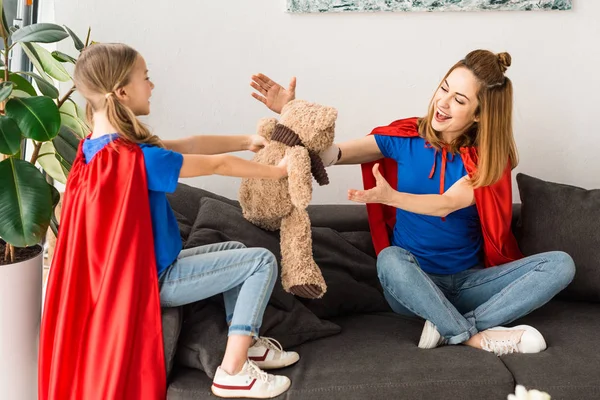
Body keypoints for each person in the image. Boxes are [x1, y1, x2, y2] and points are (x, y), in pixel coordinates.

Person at [249, 49, 575, 356]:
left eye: (459, 100)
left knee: (561, 264)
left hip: (468, 283)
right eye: (443, 89)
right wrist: (290, 113)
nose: (442, 103)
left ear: (480, 115)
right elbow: (328, 154)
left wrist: (391, 197)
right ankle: (475, 335)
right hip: (412, 285)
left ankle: (452, 326)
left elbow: (447, 203)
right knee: (389, 258)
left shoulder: (487, 161)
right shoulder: (405, 138)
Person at [40, 43, 297, 400]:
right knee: (260, 262)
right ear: (122, 92)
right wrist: (277, 173)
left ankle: (248, 342)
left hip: (150, 268)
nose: (152, 86)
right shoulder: (137, 159)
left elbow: (189, 144)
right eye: (146, 78)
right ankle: (233, 371)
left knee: (237, 249)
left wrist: (246, 140)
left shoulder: (96, 150)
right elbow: (216, 165)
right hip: (154, 280)